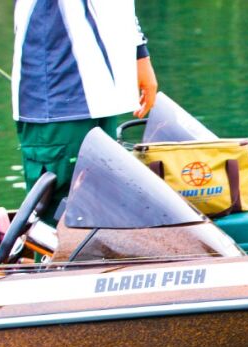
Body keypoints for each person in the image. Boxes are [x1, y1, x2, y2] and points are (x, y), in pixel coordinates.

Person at [11, 0, 158, 224]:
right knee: (60, 216)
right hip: (57, 98)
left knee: (104, 206)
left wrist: (140, 54)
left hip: (104, 96)